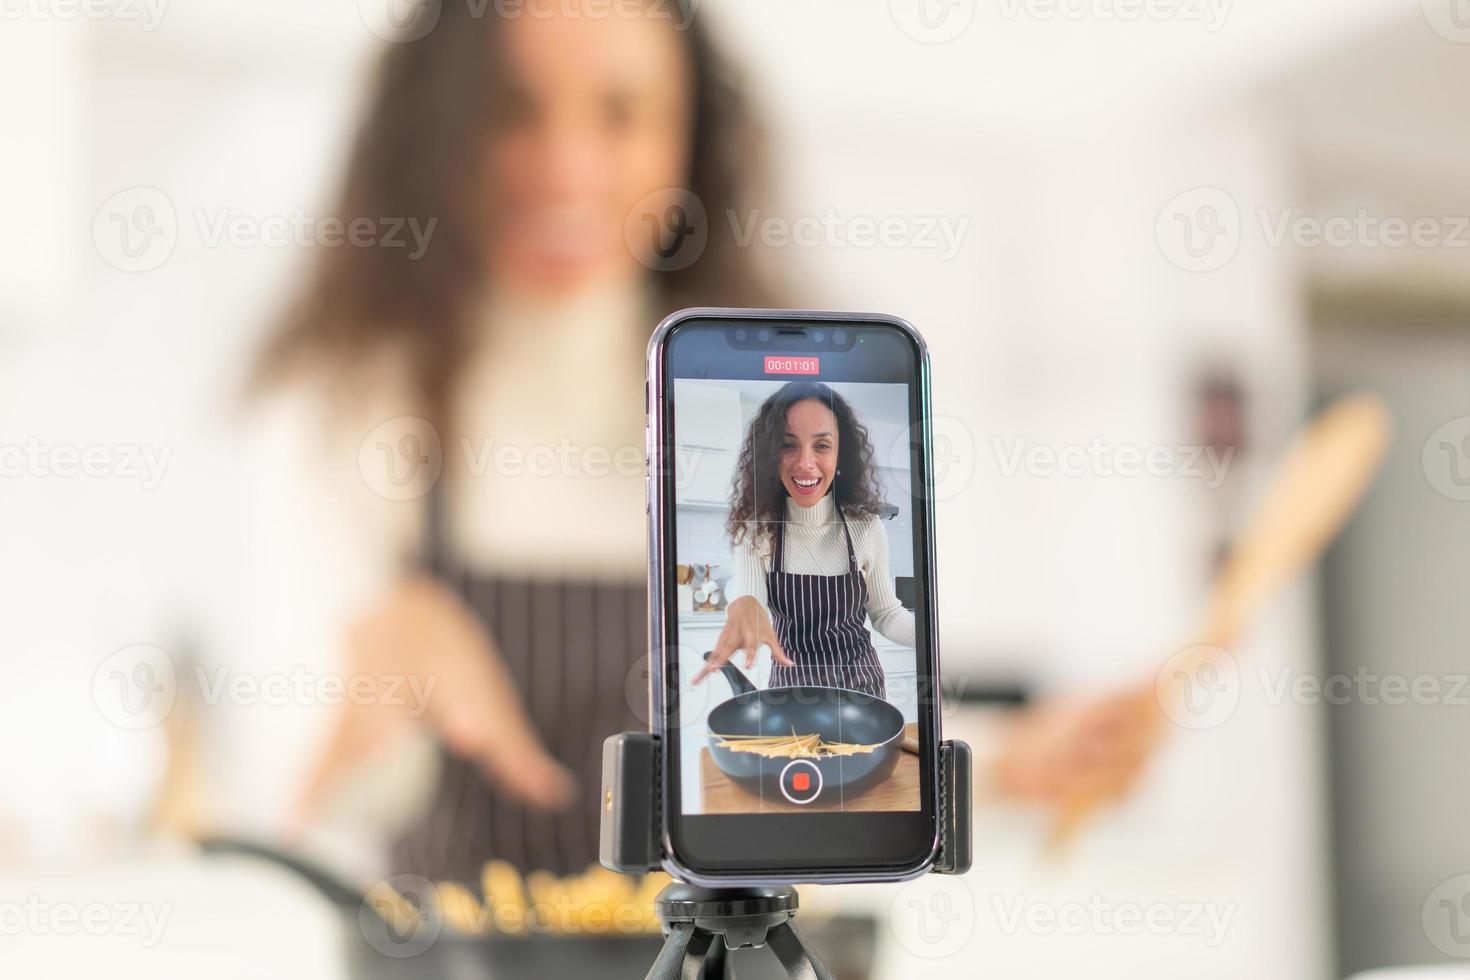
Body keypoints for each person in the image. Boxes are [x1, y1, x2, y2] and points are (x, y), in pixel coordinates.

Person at [695, 382, 914, 698]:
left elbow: (886, 614)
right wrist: (743, 605)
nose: (805, 463)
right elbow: (749, 595)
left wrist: (936, 636)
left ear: (841, 456)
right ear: (771, 455)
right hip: (790, 697)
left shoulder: (865, 526)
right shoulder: (757, 528)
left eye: (822, 446)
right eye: (788, 445)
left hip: (861, 693)